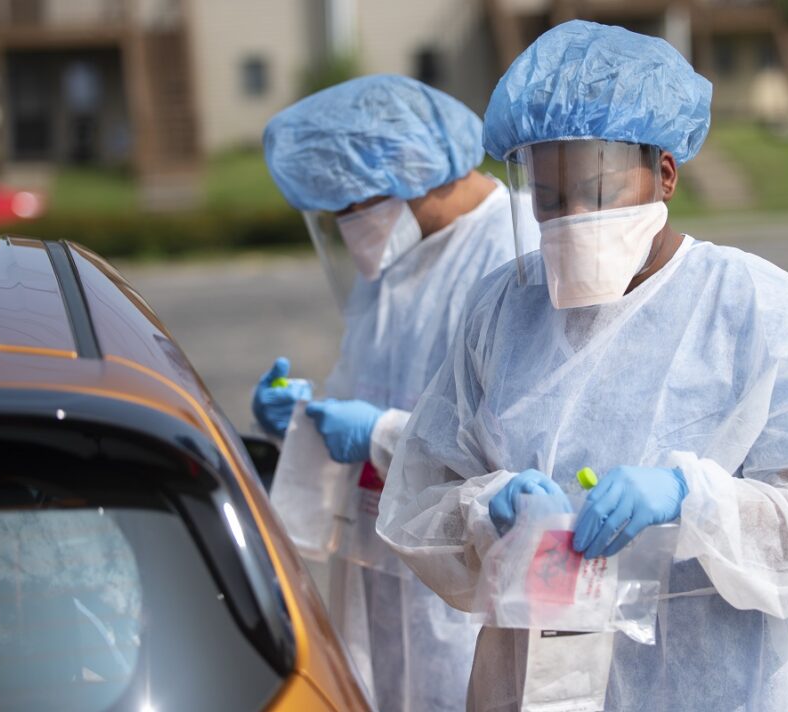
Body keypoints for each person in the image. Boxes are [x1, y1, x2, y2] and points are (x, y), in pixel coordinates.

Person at [376, 21, 788, 712]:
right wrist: (487, 508)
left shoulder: (751, 306)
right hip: (537, 681)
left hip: (720, 681)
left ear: (664, 172)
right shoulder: (503, 310)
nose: (570, 219)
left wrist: (696, 501)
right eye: (550, 198)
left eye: (596, 191)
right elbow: (422, 494)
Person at [256, 74, 528, 712]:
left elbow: (513, 454)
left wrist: (378, 435)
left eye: (353, 206)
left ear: (414, 171)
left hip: (461, 591)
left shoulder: (514, 252)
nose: (349, 226)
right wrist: (303, 418)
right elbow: (366, 384)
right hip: (374, 576)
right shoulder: (397, 256)